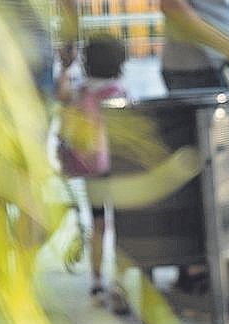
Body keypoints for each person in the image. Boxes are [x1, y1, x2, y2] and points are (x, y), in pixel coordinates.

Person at [56, 35, 127, 307]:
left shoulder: (80, 91)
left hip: (91, 167)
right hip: (118, 168)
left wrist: (64, 67)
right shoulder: (120, 92)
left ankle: (97, 283)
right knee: (121, 226)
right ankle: (119, 285)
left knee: (98, 224)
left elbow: (60, 99)